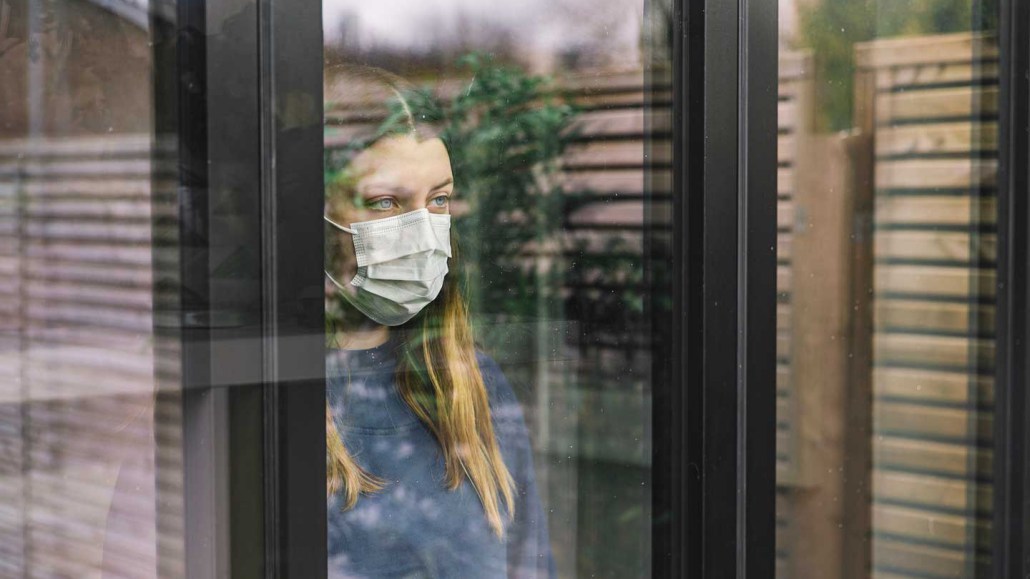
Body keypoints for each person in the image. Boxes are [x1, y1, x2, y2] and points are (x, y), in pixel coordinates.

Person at [323, 66, 555, 579]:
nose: (423, 230)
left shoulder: (473, 385)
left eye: (439, 200)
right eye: (386, 201)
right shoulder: (260, 401)